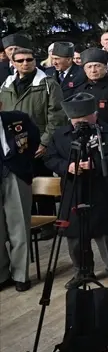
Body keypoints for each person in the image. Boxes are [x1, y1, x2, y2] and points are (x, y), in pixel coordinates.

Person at [44, 93, 108, 287]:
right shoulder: (60, 135)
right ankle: (82, 272)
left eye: (85, 118)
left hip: (103, 190)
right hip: (74, 190)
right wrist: (67, 166)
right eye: (76, 119)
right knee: (75, 236)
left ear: (95, 114)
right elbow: (50, 158)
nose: (80, 122)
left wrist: (97, 164)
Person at [0, 45, 65, 172]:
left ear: (34, 61)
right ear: (13, 63)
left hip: (37, 146)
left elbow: (57, 116)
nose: (25, 63)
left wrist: (45, 143)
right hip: (10, 146)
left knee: (39, 186)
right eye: (20, 60)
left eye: (29, 60)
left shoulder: (49, 84)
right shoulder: (6, 85)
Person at [0, 103, 38, 291]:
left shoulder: (18, 119)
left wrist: (23, 162)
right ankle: (2, 275)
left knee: (20, 226)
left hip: (16, 174)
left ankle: (20, 275)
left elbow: (34, 139)